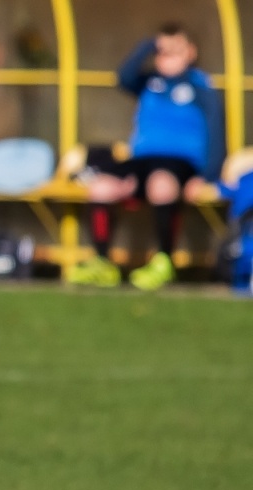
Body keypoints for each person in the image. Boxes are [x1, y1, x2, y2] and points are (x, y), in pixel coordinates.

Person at [67, 23, 224, 291]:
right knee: (101, 187)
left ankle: (164, 261)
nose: (167, 57)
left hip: (179, 163)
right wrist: (149, 45)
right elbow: (123, 77)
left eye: (175, 50)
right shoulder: (150, 83)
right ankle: (103, 262)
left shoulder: (200, 86)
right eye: (162, 51)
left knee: (160, 184)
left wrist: (207, 176)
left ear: (191, 52)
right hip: (142, 160)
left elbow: (216, 130)